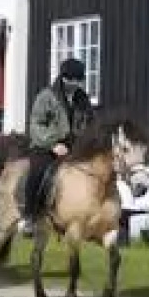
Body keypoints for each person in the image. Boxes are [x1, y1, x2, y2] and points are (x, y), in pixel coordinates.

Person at [19, 58, 95, 228]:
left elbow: (90, 123)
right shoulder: (46, 96)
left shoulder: (83, 99)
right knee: (37, 172)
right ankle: (30, 215)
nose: (75, 83)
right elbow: (36, 125)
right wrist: (53, 144)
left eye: (78, 80)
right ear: (63, 77)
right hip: (44, 147)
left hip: (74, 147)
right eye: (71, 80)